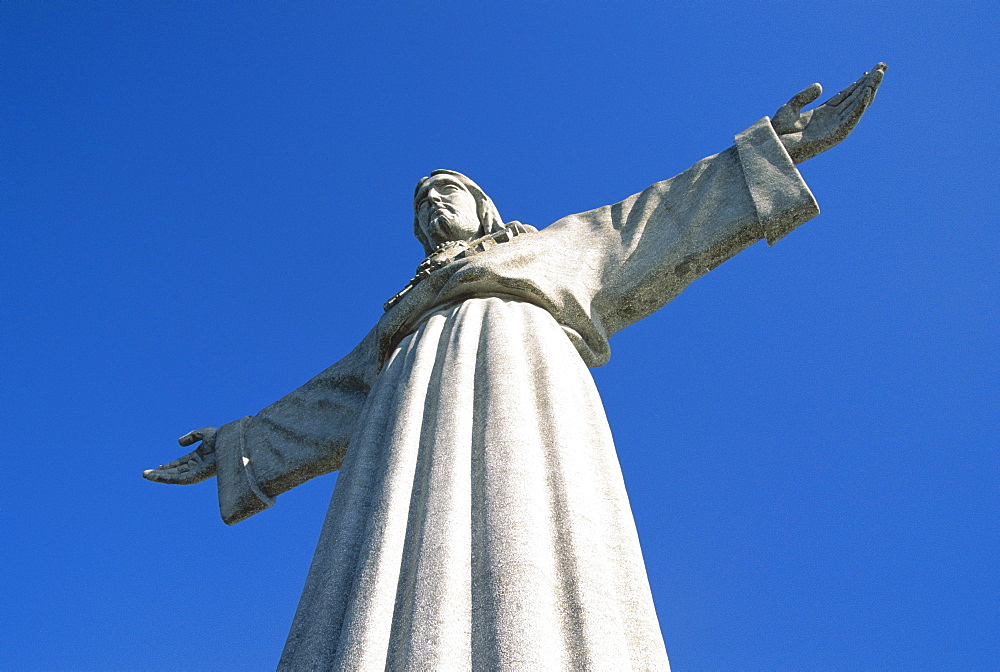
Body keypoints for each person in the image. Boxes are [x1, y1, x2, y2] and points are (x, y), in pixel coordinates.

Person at [146, 64, 885, 670]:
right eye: (424, 199)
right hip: (405, 425)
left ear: (480, 205)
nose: (435, 202)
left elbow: (650, 219)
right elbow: (327, 401)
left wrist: (767, 155)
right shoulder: (398, 327)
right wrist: (238, 444)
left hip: (524, 379)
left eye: (449, 191)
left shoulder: (545, 250)